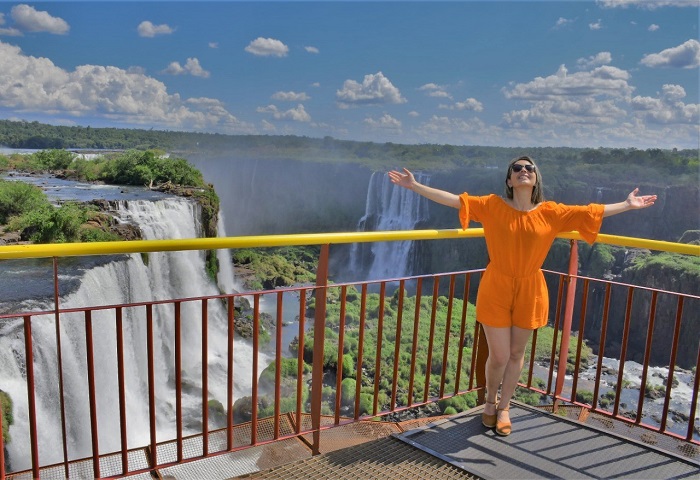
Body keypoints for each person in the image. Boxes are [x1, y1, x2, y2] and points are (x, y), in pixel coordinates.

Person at [388, 155, 656, 436]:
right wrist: (415, 186)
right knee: (500, 355)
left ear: (536, 178)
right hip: (497, 285)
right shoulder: (492, 205)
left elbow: (591, 211)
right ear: (509, 179)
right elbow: (455, 200)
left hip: (531, 288)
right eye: (517, 168)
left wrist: (627, 204)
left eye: (529, 168)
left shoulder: (551, 212)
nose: (523, 171)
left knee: (516, 354)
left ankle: (504, 408)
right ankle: (489, 402)